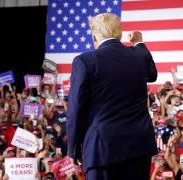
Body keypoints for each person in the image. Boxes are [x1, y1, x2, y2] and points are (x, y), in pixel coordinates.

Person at [66, 13, 158, 180]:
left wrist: (73, 149)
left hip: (101, 149)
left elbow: (75, 109)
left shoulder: (85, 61)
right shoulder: (138, 55)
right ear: (119, 34)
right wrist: (139, 42)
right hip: (138, 146)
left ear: (94, 36)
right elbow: (152, 74)